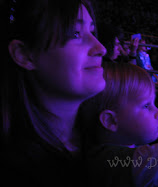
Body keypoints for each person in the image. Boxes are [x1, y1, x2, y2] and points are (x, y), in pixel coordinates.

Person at [2, 0, 106, 186]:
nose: (101, 48)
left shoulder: (106, 132)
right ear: (24, 55)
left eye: (92, 31)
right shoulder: (15, 168)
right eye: (75, 33)